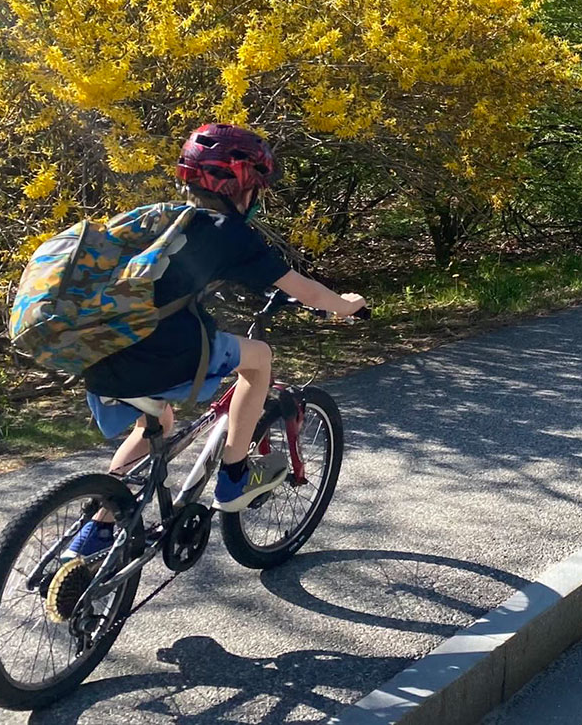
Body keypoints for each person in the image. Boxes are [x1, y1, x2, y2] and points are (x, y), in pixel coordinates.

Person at [65, 123, 367, 557]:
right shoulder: (229, 232)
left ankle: (97, 530)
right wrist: (347, 305)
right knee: (259, 358)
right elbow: (309, 292)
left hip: (101, 353)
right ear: (243, 187)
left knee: (158, 424)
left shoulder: (156, 217)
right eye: (256, 187)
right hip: (163, 354)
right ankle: (234, 475)